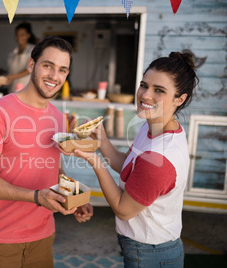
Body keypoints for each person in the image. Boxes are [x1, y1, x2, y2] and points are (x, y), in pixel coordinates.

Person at [63, 51, 199, 267]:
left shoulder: (160, 158)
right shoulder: (153, 126)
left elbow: (123, 209)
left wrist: (93, 160)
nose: (145, 95)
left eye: (159, 91)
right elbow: (127, 166)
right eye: (144, 85)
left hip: (151, 253)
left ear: (179, 99)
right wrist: (102, 141)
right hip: (144, 247)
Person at [0, 36, 93, 267]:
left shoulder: (58, 117)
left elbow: (54, 168)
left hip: (43, 238)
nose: (54, 76)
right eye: (48, 66)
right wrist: (36, 197)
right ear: (31, 65)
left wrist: (72, 196)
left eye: (62, 70)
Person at [6, 22, 36, 93]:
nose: (19, 37)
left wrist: (12, 77)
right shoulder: (12, 53)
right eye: (17, 35)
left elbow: (29, 69)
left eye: (22, 35)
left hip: (27, 90)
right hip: (12, 89)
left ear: (28, 35)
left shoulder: (33, 50)